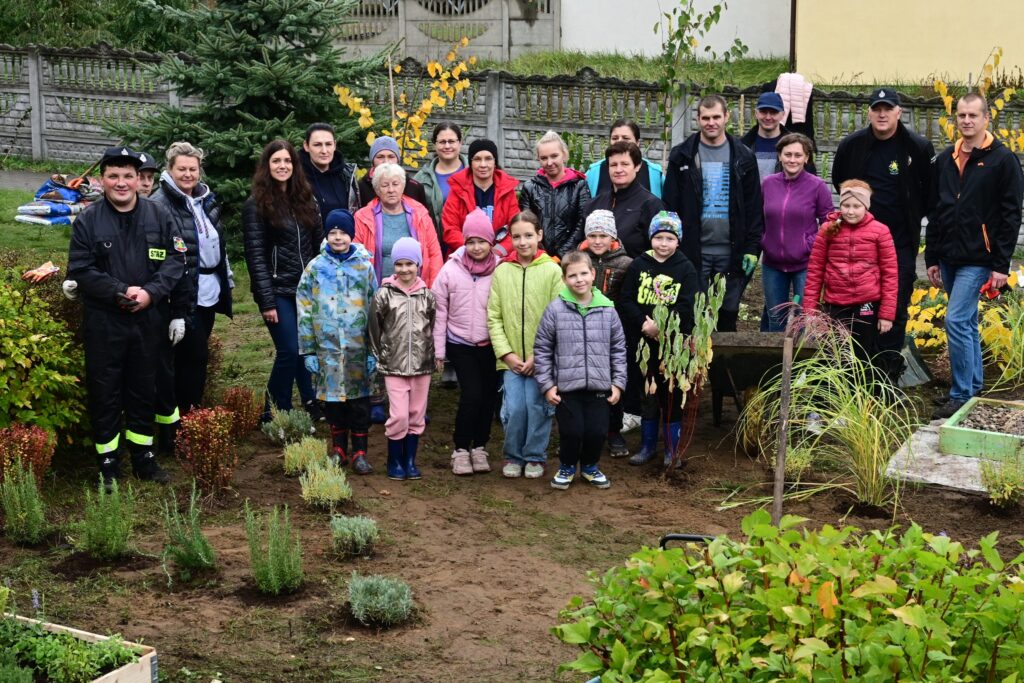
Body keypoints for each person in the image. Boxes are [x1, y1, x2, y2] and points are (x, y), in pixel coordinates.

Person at [67, 147, 185, 486]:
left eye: (128, 176)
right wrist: (120, 290)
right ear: (102, 180)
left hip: (148, 318)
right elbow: (81, 269)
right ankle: (108, 463)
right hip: (105, 321)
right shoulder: (88, 220)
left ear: (138, 179)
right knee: (105, 390)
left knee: (143, 388)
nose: (121, 183)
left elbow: (176, 260)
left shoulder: (159, 215)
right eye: (114, 176)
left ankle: (143, 458)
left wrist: (150, 293)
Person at [927, 93, 1024, 419]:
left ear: (986, 119)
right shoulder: (945, 159)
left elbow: (1011, 215)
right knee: (966, 321)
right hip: (949, 256)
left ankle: (961, 394)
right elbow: (937, 210)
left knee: (955, 319)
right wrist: (932, 256)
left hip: (979, 258)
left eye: (973, 115)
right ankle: (973, 386)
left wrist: (1001, 265)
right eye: (962, 115)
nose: (966, 120)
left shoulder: (1003, 160)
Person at [832, 88, 935, 383]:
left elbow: (929, 192)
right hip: (858, 242)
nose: (881, 114)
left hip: (900, 242)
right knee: (859, 308)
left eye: (887, 108)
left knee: (895, 307)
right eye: (876, 108)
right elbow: (841, 182)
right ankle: (857, 376)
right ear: (868, 112)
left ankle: (886, 379)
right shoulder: (852, 146)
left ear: (899, 112)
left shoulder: (917, 147)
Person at [662, 94, 764, 331]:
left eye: (716, 117)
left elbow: (754, 208)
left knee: (727, 316)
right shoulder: (682, 155)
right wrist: (672, 243)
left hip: (731, 252)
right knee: (691, 313)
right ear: (698, 119)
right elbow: (670, 206)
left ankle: (722, 356)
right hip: (693, 250)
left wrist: (752, 248)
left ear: (726, 116)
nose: (711, 123)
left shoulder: (744, 157)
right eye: (706, 118)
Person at [150, 141, 233, 415]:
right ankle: (183, 418)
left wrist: (226, 276)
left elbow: (216, 242)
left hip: (207, 291)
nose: (188, 174)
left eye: (193, 169)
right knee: (190, 357)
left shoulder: (205, 200)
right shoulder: (160, 205)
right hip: (181, 294)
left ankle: (189, 415)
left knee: (196, 357)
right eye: (182, 169)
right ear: (170, 170)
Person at [242, 139, 321, 420]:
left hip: (305, 291)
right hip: (277, 290)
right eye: (276, 161)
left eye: (287, 161)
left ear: (295, 165)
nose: (282, 166)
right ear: (267, 166)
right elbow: (255, 256)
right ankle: (275, 411)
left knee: (303, 350)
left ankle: (308, 401)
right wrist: (267, 301)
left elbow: (318, 245)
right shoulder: (256, 205)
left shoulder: (306, 200)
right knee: (288, 349)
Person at [534, 251, 627, 490]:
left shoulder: (608, 310)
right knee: (572, 431)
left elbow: (618, 349)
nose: (579, 280)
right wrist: (547, 385)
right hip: (567, 387)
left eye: (584, 273)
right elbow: (542, 349)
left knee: (597, 432)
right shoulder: (555, 310)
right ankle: (566, 466)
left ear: (593, 274)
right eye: (572, 275)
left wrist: (618, 383)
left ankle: (589, 467)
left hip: (599, 386)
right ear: (564, 279)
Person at [297, 209, 378, 475]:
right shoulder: (315, 268)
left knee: (359, 402)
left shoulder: (364, 267)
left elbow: (374, 308)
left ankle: (360, 452)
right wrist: (308, 349)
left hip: (358, 348)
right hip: (327, 349)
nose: (338, 237)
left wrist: (373, 350)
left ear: (351, 235)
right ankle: (339, 448)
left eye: (343, 232)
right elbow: (304, 307)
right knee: (334, 402)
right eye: (333, 232)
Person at [618, 211, 699, 467]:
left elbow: (687, 305)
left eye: (670, 238)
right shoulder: (639, 265)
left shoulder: (685, 268)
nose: (664, 244)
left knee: (670, 395)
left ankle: (672, 450)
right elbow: (626, 299)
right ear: (651, 238)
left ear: (678, 241)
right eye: (659, 237)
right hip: (643, 344)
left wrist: (661, 326)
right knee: (648, 394)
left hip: (672, 346)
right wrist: (644, 323)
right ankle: (647, 446)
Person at [486, 210, 563, 479]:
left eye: (528, 235)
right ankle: (513, 455)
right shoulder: (502, 271)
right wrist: (506, 354)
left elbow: (558, 318)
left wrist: (538, 356)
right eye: (517, 237)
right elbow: (494, 316)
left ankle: (534, 456)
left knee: (537, 407)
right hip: (511, 361)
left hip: (540, 359)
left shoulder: (552, 271)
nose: (522, 242)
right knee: (515, 408)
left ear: (539, 235)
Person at [802, 180, 898, 375]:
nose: (850, 211)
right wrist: (810, 310)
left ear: (866, 206)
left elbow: (890, 274)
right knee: (835, 353)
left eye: (856, 206)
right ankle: (835, 390)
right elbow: (815, 271)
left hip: (866, 304)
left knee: (863, 354)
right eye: (846, 205)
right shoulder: (828, 230)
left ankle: (862, 390)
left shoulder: (880, 231)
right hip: (835, 304)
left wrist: (886, 314)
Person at [432, 209, 501, 475]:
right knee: (472, 395)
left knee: (488, 397)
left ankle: (480, 446)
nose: (476, 247)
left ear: (490, 241)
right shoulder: (451, 269)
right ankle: (461, 448)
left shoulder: (500, 269)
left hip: (490, 343)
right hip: (460, 343)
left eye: (481, 241)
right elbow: (439, 312)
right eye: (471, 241)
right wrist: (439, 350)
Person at [369, 237, 437, 481]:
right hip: (394, 365)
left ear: (418, 264)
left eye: (410, 264)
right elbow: (374, 328)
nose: (405, 269)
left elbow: (432, 325)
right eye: (399, 264)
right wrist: (379, 355)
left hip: (421, 366)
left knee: (416, 413)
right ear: (393, 265)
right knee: (398, 415)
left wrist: (430, 354)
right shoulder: (384, 295)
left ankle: (410, 460)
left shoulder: (427, 296)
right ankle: (394, 460)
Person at [760, 133, 833, 331]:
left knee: (805, 320)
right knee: (775, 318)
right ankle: (776, 352)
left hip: (805, 264)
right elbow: (757, 219)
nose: (792, 160)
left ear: (806, 157)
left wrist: (808, 244)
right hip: (772, 264)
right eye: (788, 154)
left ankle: (801, 352)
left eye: (798, 155)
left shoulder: (817, 186)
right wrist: (764, 241)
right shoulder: (768, 184)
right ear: (780, 156)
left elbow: (829, 222)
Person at [578, 210, 633, 457]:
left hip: (611, 333)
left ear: (612, 237)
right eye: (592, 235)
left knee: (612, 382)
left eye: (603, 235)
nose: (597, 241)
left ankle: (613, 430)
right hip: (581, 331)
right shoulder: (578, 260)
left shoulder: (626, 264)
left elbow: (628, 299)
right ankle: (581, 431)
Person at [354, 163, 443, 286]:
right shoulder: (363, 217)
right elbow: (356, 258)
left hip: (416, 290)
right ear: (377, 190)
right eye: (385, 185)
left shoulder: (420, 213)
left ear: (403, 186)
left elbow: (434, 254)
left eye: (395, 184)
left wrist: (433, 287)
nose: (391, 190)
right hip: (377, 289)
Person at [583, 141, 665, 258]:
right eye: (613, 165)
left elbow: (660, 250)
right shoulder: (593, 204)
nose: (618, 169)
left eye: (625, 164)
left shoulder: (651, 205)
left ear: (637, 166)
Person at [518, 130, 591, 259]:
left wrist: (560, 256)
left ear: (564, 155)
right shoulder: (530, 187)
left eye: (554, 156)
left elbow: (582, 223)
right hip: (537, 258)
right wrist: (541, 255)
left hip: (570, 259)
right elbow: (526, 224)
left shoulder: (579, 186)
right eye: (544, 158)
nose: (549, 162)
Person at [442, 139, 520, 257]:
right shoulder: (458, 189)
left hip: (500, 258)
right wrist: (473, 250)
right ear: (470, 163)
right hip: (464, 257)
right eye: (477, 159)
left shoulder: (507, 191)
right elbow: (450, 229)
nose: (483, 164)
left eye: (488, 159)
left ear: (495, 162)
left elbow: (515, 229)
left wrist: (497, 252)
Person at [740, 92, 817, 180]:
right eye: (763, 112)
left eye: (773, 112)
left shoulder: (798, 145)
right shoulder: (742, 146)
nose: (768, 117)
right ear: (756, 113)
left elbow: (811, 180)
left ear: (783, 114)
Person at [414, 122, 467, 247]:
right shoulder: (421, 179)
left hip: (471, 245)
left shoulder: (474, 173)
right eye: (442, 142)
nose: (447, 146)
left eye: (451, 141)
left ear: (460, 143)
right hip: (436, 246)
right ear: (435, 144)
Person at [585, 119, 664, 198]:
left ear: (637, 143)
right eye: (615, 138)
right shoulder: (594, 172)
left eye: (625, 138)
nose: (619, 142)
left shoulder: (654, 174)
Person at [300, 122, 358, 227]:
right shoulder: (297, 177)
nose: (324, 150)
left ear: (334, 145)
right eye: (317, 145)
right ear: (306, 146)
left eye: (328, 144)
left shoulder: (347, 175)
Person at [352, 135, 429, 211]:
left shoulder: (415, 187)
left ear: (397, 160)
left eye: (391, 157)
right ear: (372, 161)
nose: (386, 161)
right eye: (380, 157)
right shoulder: (360, 188)